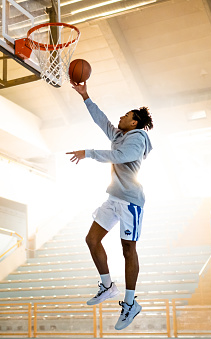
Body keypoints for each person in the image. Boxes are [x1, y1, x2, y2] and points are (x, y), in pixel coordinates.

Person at [67, 81, 153, 330]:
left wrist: (89, 153)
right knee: (92, 240)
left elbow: (122, 157)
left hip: (131, 202)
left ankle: (130, 303)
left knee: (128, 250)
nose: (121, 117)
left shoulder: (138, 138)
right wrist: (85, 96)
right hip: (113, 198)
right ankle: (107, 286)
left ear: (135, 122)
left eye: (126, 116)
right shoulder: (119, 135)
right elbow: (101, 120)